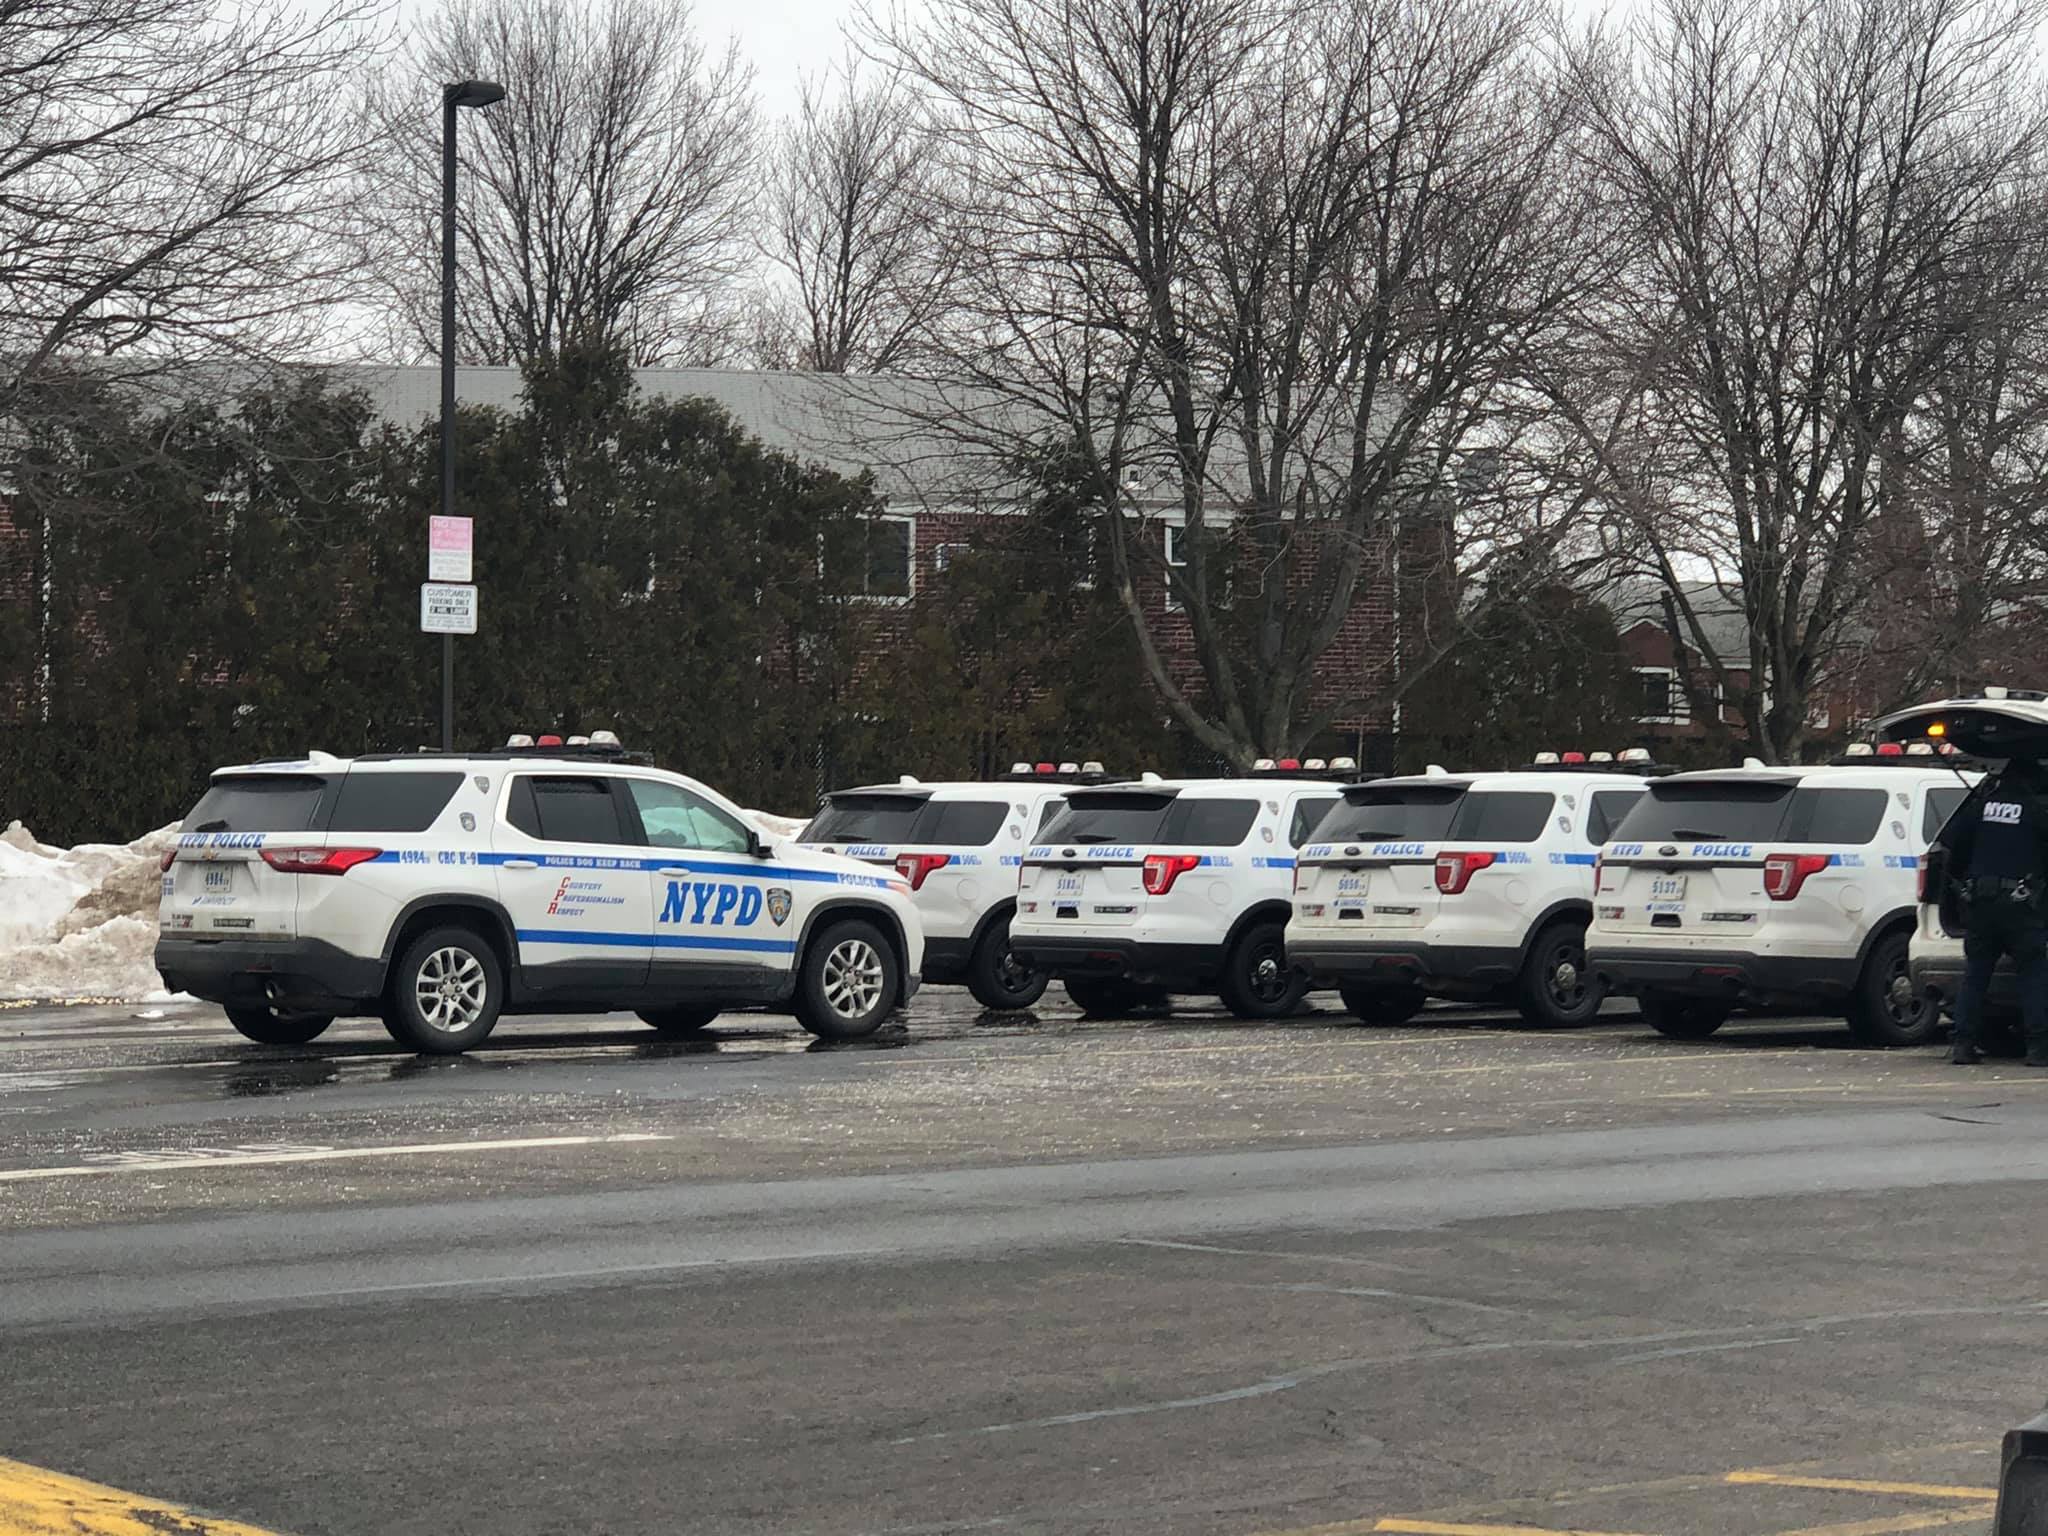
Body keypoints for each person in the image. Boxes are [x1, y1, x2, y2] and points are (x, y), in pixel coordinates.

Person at [1945, 755, 2048, 1065]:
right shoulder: (2034, 810)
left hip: (1980, 903)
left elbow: (1953, 848)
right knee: (2032, 973)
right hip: (2019, 904)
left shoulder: (1982, 806)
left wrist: (1965, 886)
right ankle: (2037, 1047)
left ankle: (1963, 1044)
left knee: (1975, 975)